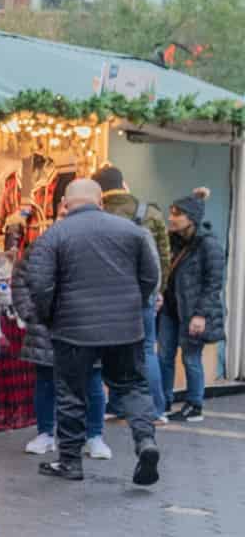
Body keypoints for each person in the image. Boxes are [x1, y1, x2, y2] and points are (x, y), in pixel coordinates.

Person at [19, 177, 161, 484]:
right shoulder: (132, 232)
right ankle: (145, 440)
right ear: (101, 201)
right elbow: (150, 276)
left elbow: (39, 284)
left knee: (71, 392)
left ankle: (70, 461)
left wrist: (48, 317)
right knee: (132, 386)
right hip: (125, 327)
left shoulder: (53, 235)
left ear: (64, 205)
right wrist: (133, 305)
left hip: (73, 328)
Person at [13, 238, 113, 461]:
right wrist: (30, 312)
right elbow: (21, 278)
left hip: (87, 322)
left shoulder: (96, 242)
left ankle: (94, 435)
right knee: (46, 379)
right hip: (47, 323)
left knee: (92, 381)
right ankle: (46, 433)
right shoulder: (42, 244)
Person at [95, 166, 169, 421]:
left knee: (113, 351)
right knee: (147, 349)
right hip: (144, 292)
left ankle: (117, 404)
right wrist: (160, 290)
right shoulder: (150, 212)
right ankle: (157, 409)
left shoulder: (99, 214)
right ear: (123, 183)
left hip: (111, 295)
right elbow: (163, 255)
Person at [158, 187, 226, 424]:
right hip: (170, 309)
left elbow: (214, 283)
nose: (171, 218)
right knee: (164, 355)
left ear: (192, 219)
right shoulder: (173, 241)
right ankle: (164, 402)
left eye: (177, 214)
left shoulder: (208, 245)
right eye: (171, 213)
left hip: (192, 311)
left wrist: (200, 315)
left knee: (190, 357)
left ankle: (194, 405)